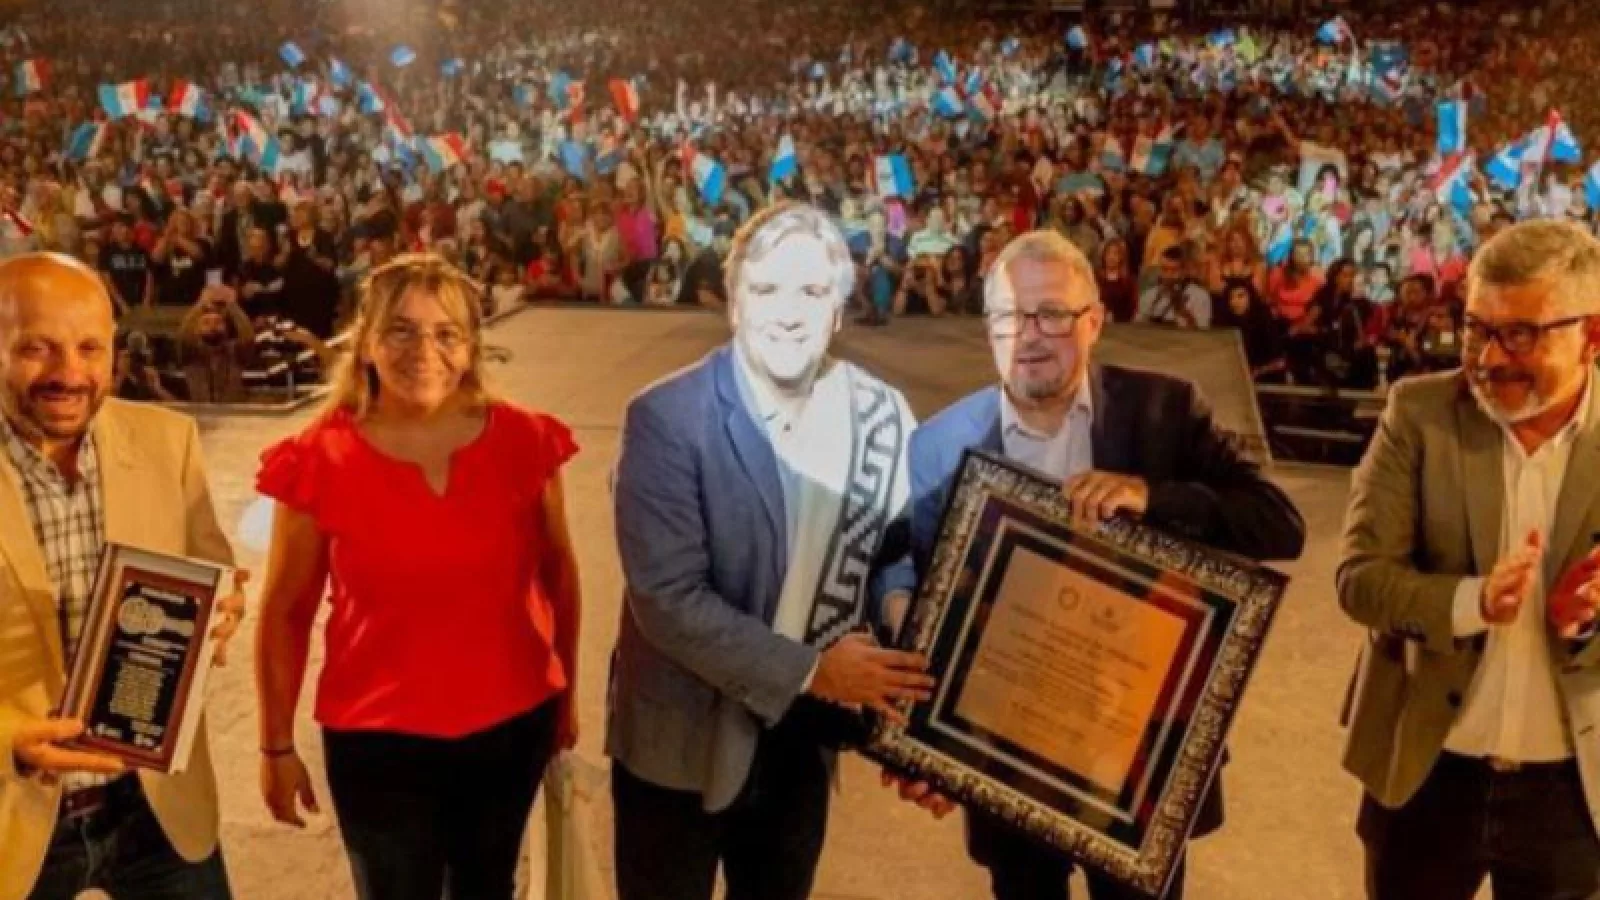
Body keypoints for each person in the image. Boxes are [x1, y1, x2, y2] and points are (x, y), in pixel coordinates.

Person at [882, 230, 1306, 900]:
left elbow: (1279, 524)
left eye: (1052, 313)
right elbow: (916, 578)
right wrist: (922, 736)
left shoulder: (1166, 410)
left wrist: (1151, 495)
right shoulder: (938, 443)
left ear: (1095, 321)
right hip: (1004, 757)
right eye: (1010, 316)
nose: (1030, 335)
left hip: (1136, 759)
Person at [609, 201, 926, 900]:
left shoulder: (883, 415)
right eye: (767, 288)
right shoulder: (666, 417)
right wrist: (815, 671)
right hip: (683, 739)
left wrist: (902, 617)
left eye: (811, 291)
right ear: (734, 301)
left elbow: (896, 552)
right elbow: (668, 600)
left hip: (800, 741)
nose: (788, 311)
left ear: (837, 311)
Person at [253, 253, 581, 900]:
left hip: (509, 729)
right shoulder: (319, 458)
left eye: (445, 333)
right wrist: (275, 746)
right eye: (400, 330)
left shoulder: (525, 442)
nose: (423, 351)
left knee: (487, 888)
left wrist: (566, 700)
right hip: (376, 742)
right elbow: (286, 611)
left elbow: (560, 578)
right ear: (366, 342)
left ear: (471, 347)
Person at [1339, 219, 1600, 900]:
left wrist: (1592, 620)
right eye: (1476, 329)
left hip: (1573, 791)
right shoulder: (1419, 412)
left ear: (1592, 336)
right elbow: (1360, 579)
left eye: (1520, 335)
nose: (1488, 358)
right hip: (1426, 772)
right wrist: (1471, 602)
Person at [0, 252, 245, 900]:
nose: (68, 373)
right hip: (13, 817)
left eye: (90, 348)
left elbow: (213, 568)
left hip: (156, 808)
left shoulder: (169, 441)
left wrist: (223, 608)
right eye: (36, 348)